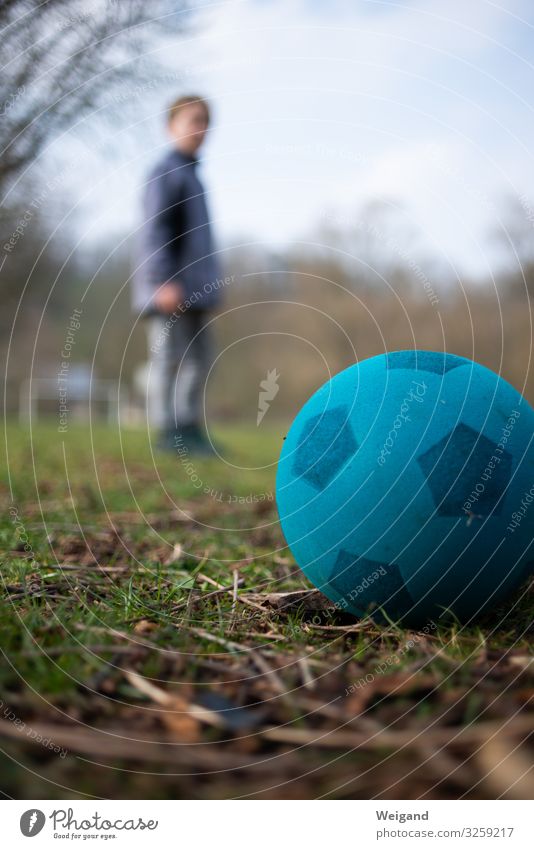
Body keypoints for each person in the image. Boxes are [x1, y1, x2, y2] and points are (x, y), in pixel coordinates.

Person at [132, 94, 222, 454]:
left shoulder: (194, 176)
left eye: (205, 121)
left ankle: (188, 428)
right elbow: (155, 230)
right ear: (172, 127)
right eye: (192, 120)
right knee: (168, 359)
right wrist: (162, 280)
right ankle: (166, 432)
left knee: (199, 360)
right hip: (170, 288)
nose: (200, 128)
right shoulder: (166, 172)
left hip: (197, 291)